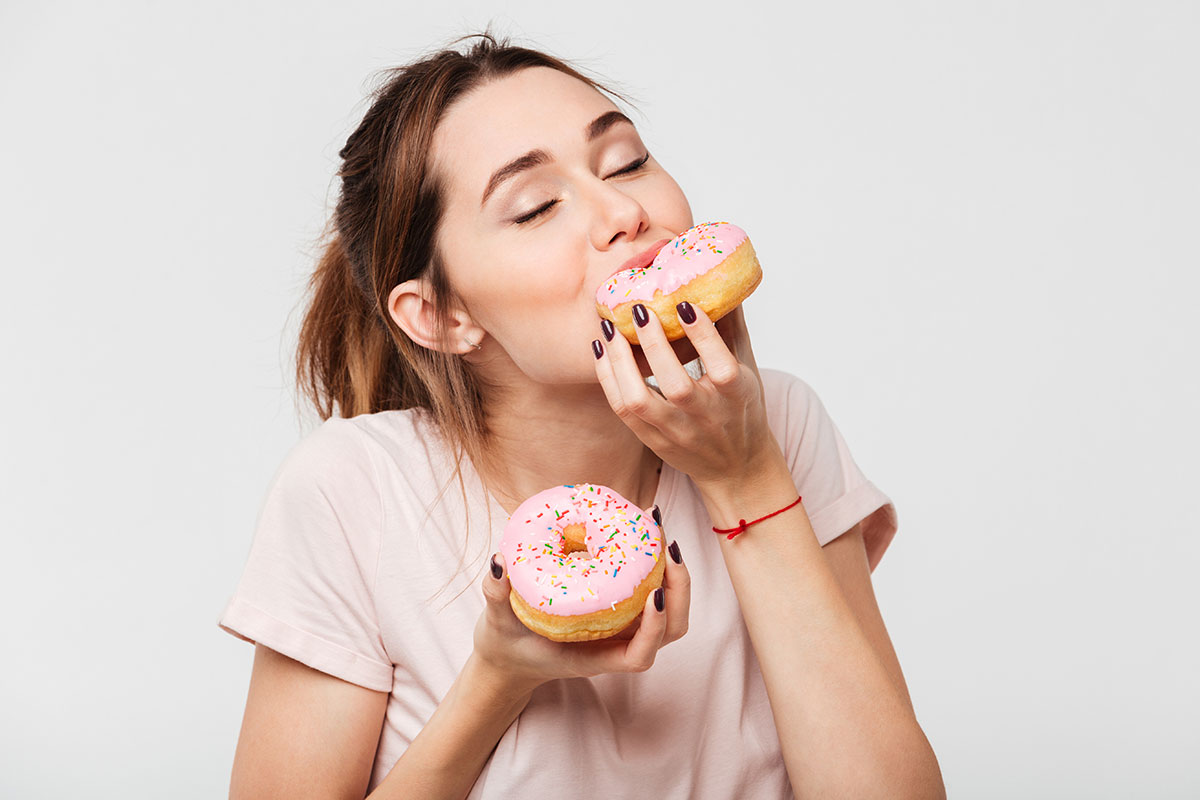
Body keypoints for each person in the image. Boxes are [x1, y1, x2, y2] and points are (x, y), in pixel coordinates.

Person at [217, 31, 944, 800]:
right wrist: (498, 678)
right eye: (534, 208)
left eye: (627, 161)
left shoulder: (777, 423)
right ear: (441, 315)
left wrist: (747, 478)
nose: (625, 212)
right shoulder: (352, 493)